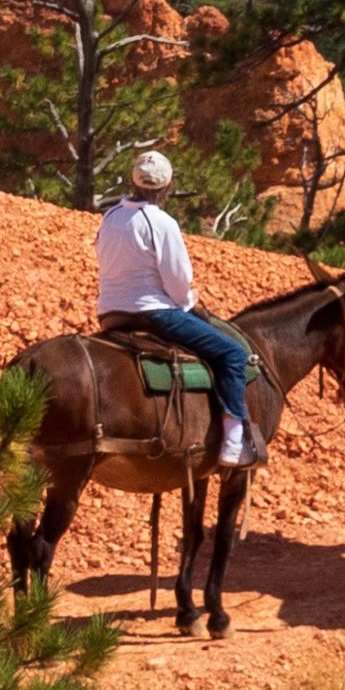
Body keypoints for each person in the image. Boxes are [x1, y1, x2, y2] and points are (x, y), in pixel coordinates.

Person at [95, 149, 257, 468]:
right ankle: (233, 443)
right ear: (167, 188)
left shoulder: (110, 217)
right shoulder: (161, 222)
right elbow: (178, 279)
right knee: (233, 355)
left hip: (110, 313)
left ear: (133, 180)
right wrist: (188, 304)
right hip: (154, 313)